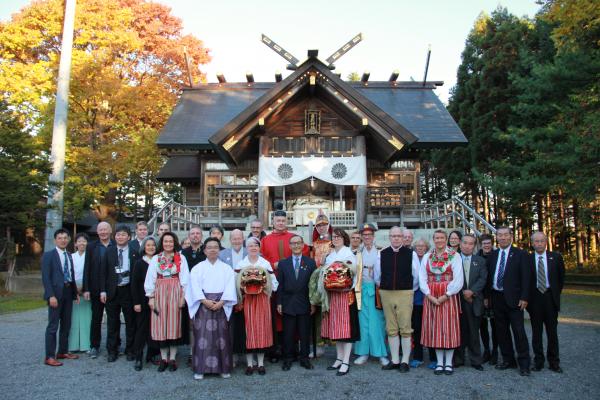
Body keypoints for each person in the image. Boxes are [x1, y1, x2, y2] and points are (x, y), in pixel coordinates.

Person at [186, 237, 237, 380]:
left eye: (216, 247)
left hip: (221, 304)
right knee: (202, 337)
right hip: (203, 305)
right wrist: (203, 300)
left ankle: (223, 368)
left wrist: (222, 301)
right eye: (209, 247)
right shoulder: (198, 268)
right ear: (205, 250)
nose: (213, 249)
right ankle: (200, 369)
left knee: (222, 337)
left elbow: (230, 287)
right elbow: (193, 287)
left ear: (219, 250)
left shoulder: (226, 268)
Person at [261, 210, 307, 362]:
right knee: (275, 315)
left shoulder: (293, 238)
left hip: (291, 282)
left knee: (291, 314)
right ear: (272, 222)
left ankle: (293, 350)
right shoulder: (266, 240)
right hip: (273, 281)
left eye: (283, 220)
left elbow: (303, 253)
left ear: (286, 221)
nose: (280, 223)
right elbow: (262, 260)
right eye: (277, 220)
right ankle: (274, 350)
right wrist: (273, 265)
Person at [485, 226, 531, 376]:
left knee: (519, 331)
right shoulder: (493, 255)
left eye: (506, 235)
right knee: (501, 331)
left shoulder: (521, 254)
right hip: (497, 298)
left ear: (511, 236)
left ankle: (524, 363)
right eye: (500, 235)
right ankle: (508, 360)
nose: (503, 238)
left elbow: (526, 278)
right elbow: (488, 277)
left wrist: (525, 297)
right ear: (496, 237)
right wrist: (487, 296)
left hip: (515, 300)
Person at [375, 226, 420, 373]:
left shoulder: (410, 254)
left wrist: (408, 290)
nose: (396, 238)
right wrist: (384, 288)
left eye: (398, 236)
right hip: (387, 292)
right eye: (393, 236)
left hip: (405, 293)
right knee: (391, 327)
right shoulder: (382, 253)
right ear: (389, 237)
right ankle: (394, 360)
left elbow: (416, 275)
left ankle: (405, 360)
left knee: (405, 327)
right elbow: (377, 276)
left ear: (403, 237)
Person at [419, 230, 464, 376]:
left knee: (449, 328)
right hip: (431, 294)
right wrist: (429, 295)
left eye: (442, 238)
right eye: (436, 238)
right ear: (433, 240)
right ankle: (439, 362)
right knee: (435, 327)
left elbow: (458, 278)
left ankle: (449, 363)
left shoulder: (455, 256)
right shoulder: (427, 256)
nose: (439, 240)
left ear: (446, 240)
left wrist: (447, 294)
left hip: (448, 294)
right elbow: (422, 277)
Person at [145, 232, 190, 372]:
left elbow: (185, 279)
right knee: (160, 325)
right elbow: (150, 278)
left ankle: (172, 358)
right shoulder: (156, 259)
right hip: (159, 293)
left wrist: (183, 297)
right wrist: (151, 297)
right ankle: (163, 358)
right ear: (162, 243)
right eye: (165, 241)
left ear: (174, 242)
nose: (168, 244)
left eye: (171, 241)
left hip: (175, 293)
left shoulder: (180, 257)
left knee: (173, 325)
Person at [235, 237, 278, 375]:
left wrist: (266, 287)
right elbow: (235, 283)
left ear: (259, 248)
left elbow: (275, 283)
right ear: (246, 248)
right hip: (247, 300)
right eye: (250, 245)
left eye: (256, 245)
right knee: (248, 332)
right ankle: (249, 364)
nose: (253, 248)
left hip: (262, 300)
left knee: (261, 330)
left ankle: (260, 363)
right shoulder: (241, 264)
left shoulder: (265, 263)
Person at [320, 228, 359, 376]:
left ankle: (346, 361)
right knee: (336, 327)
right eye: (334, 237)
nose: (336, 239)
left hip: (345, 294)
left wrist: (349, 287)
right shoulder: (330, 256)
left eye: (339, 237)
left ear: (344, 239)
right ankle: (339, 358)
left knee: (346, 329)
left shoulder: (349, 254)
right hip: (333, 295)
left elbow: (355, 274)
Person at [277, 235, 317, 371]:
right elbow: (280, 285)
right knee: (288, 333)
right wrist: (279, 303)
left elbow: (313, 286)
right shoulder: (283, 263)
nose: (296, 246)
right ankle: (287, 359)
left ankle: (304, 358)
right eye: (293, 243)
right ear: (289, 246)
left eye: (299, 243)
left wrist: (313, 302)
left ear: (303, 245)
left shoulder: (311, 263)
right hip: (288, 303)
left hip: (305, 302)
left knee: (304, 333)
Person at [527, 231, 565, 373]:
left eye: (542, 241)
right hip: (535, 298)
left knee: (552, 332)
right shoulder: (528, 259)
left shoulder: (555, 257)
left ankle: (554, 361)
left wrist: (555, 294)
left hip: (550, 297)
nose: (539, 243)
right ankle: (538, 361)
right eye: (536, 241)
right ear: (532, 243)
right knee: (536, 332)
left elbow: (561, 279)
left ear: (546, 242)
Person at [100, 225, 139, 362]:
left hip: (128, 291)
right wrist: (103, 291)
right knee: (112, 322)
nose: (120, 237)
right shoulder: (109, 252)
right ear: (114, 236)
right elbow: (103, 272)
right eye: (118, 234)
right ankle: (112, 350)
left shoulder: (135, 252)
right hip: (112, 291)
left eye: (123, 234)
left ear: (129, 237)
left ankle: (130, 349)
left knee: (130, 322)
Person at [353, 223, 389, 367]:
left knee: (377, 322)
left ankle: (381, 353)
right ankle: (363, 352)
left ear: (374, 237)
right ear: (362, 237)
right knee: (362, 322)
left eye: (369, 235)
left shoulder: (381, 251)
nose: (367, 237)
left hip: (376, 289)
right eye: (364, 235)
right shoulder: (357, 252)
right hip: (361, 289)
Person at [42, 228, 79, 366]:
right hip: (55, 295)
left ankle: (62, 351)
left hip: (68, 293)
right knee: (53, 326)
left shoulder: (69, 255)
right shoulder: (49, 255)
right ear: (55, 240)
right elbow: (46, 278)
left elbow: (71, 275)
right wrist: (51, 295)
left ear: (69, 240)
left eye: (65, 238)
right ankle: (49, 356)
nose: (63, 240)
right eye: (60, 238)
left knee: (66, 324)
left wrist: (75, 293)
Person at [454, 234, 487, 371]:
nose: (467, 246)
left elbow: (483, 279)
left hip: (474, 300)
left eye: (471, 243)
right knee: (459, 331)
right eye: (465, 243)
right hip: (457, 300)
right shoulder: (453, 259)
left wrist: (471, 291)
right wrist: (462, 292)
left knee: (474, 331)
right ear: (460, 244)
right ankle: (458, 359)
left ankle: (475, 360)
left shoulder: (480, 261)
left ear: (474, 246)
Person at [83, 221, 115, 359]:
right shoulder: (91, 247)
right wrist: (86, 288)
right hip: (95, 288)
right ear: (97, 232)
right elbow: (87, 268)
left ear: (110, 231)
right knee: (96, 319)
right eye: (100, 230)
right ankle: (94, 345)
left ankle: (113, 346)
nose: (103, 232)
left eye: (105, 229)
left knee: (113, 320)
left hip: (113, 289)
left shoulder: (116, 244)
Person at [131, 237, 160, 371]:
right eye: (148, 245)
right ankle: (138, 356)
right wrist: (136, 302)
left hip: (157, 300)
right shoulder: (139, 263)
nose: (150, 247)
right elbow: (134, 284)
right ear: (144, 247)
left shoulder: (160, 262)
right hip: (142, 301)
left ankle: (152, 354)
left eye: (153, 245)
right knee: (141, 329)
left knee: (155, 328)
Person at [219, 229, 248, 365]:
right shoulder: (222, 254)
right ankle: (233, 355)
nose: (237, 241)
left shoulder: (251, 252)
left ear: (243, 239)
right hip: (229, 295)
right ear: (230, 240)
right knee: (231, 325)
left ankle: (248, 353)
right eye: (234, 238)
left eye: (239, 238)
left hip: (248, 295)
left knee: (247, 324)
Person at [410, 237, 436, 369]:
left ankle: (433, 358)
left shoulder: (431, 258)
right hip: (415, 300)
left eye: (423, 246)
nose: (420, 248)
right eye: (418, 246)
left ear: (427, 247)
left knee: (430, 328)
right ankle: (418, 356)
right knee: (417, 329)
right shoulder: (412, 258)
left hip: (429, 299)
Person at [68, 233, 91, 353]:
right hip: (73, 288)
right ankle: (72, 345)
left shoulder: (91, 257)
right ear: (75, 244)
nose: (82, 243)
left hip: (87, 289)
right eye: (79, 241)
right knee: (73, 318)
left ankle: (86, 345)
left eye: (84, 241)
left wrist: (85, 287)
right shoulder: (71, 256)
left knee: (87, 318)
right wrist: (74, 288)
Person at [478, 233, 498, 364]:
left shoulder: (497, 256)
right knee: (482, 325)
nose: (486, 246)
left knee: (496, 325)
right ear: (481, 244)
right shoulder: (477, 257)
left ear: (492, 244)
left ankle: (495, 351)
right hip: (480, 295)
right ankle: (486, 350)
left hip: (494, 295)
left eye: (488, 243)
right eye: (484, 243)